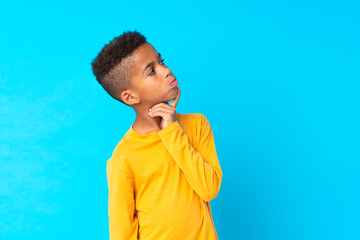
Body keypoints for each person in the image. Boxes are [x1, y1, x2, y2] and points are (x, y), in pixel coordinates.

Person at [91, 30, 223, 240]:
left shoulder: (197, 125)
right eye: (151, 71)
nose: (167, 71)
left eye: (161, 61)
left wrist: (172, 132)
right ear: (130, 97)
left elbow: (209, 189)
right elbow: (122, 232)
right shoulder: (123, 158)